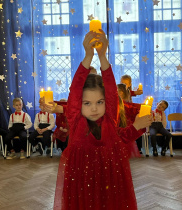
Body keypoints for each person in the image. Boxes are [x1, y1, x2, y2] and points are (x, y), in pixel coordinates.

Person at [42, 30, 152, 209]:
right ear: (79, 103)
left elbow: (122, 136)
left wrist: (103, 56)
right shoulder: (76, 119)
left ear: (107, 102)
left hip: (110, 178)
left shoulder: (109, 118)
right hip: (81, 180)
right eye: (87, 103)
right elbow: (76, 86)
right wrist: (89, 55)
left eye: (99, 102)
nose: (94, 108)